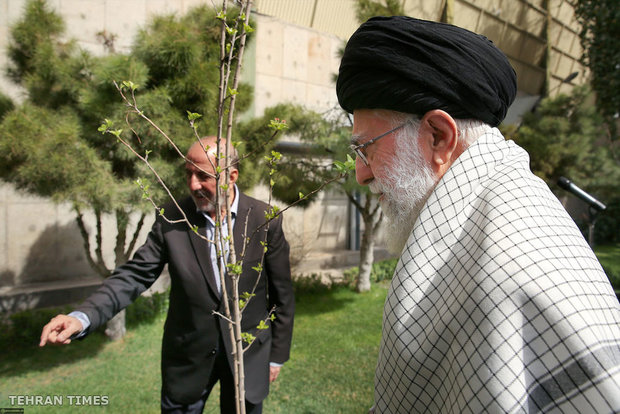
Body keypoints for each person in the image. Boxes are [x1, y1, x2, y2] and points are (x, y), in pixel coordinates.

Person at [337, 16, 620, 413]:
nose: (361, 173)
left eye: (367, 148)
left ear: (439, 136)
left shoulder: (507, 260)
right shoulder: (497, 205)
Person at [39, 136, 295, 414]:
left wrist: (277, 356)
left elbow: (282, 295)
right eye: (188, 174)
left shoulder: (264, 219)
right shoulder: (172, 217)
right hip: (187, 358)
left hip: (248, 355)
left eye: (203, 175)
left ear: (231, 176)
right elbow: (134, 276)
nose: (193, 184)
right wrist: (81, 317)